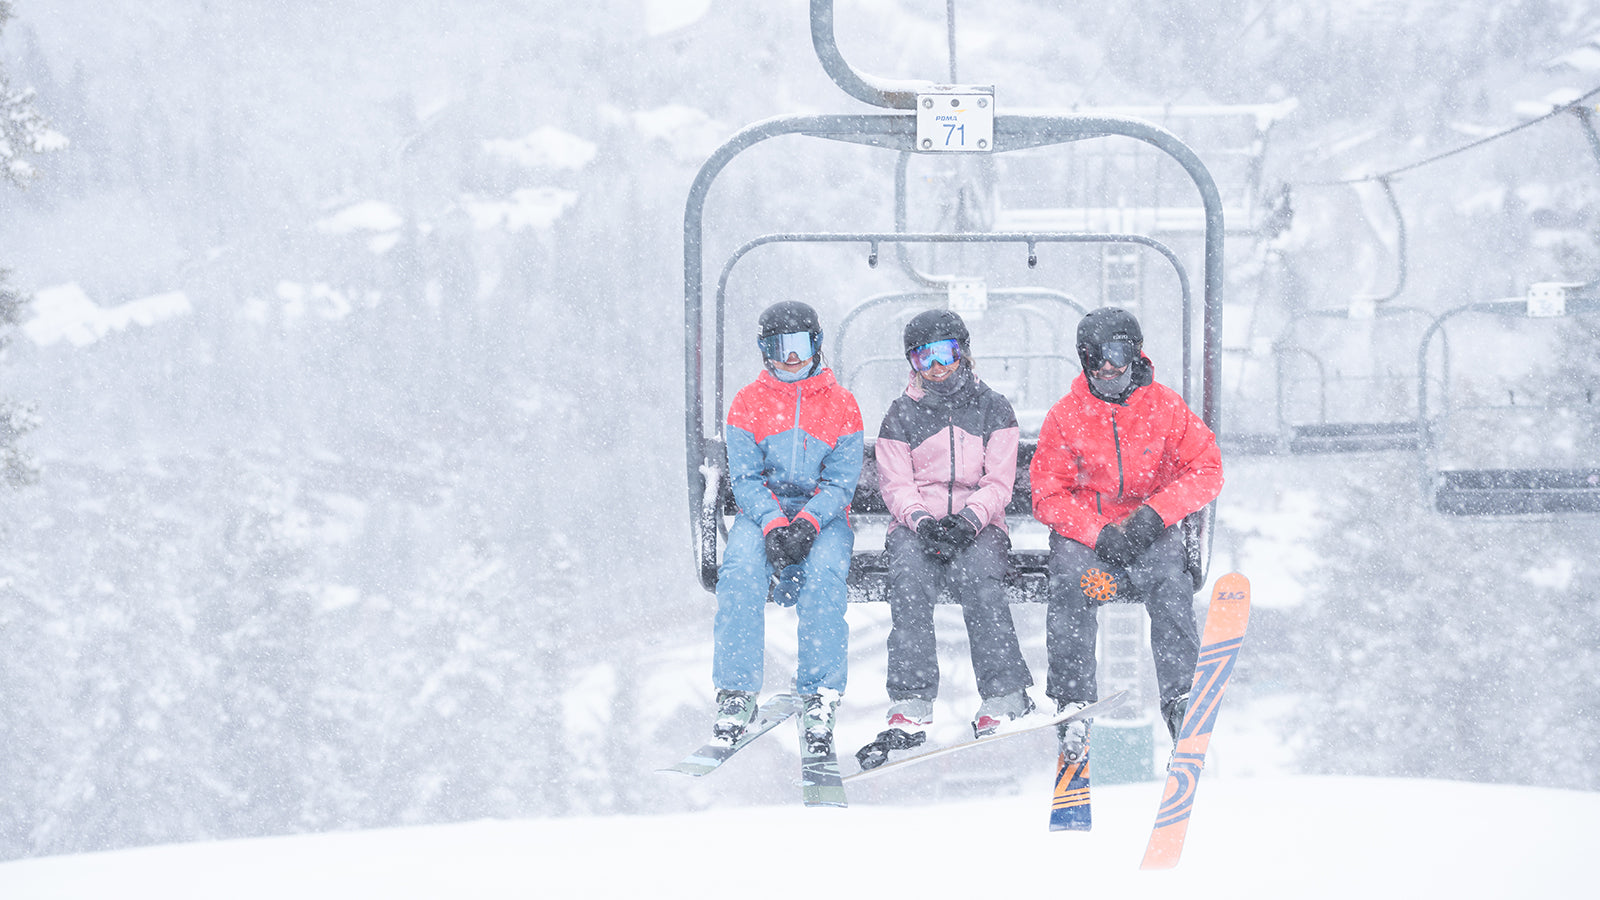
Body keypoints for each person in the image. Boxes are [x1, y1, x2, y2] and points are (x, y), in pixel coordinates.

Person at [1030, 307, 1223, 762]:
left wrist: (1154, 517)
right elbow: (1048, 494)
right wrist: (1098, 533)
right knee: (1072, 587)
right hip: (1094, 551)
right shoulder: (1067, 416)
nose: (1106, 368)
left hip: (1149, 536)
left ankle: (1180, 701)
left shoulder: (1166, 409)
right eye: (1094, 356)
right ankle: (1073, 703)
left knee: (1170, 585)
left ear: (1135, 354)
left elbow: (1207, 469)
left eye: (1116, 354)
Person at [856, 309, 1035, 770]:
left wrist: (968, 521)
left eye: (946, 353)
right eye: (923, 357)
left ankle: (1003, 693)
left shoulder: (993, 408)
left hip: (978, 525)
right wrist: (924, 522)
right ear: (911, 362)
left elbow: (999, 481)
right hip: (919, 526)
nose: (936, 366)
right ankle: (912, 701)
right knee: (910, 582)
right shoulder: (901, 415)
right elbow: (896, 484)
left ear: (963, 353)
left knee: (982, 581)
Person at [711, 300, 864, 756]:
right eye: (780, 347)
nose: (791, 357)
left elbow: (841, 482)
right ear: (765, 350)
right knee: (739, 572)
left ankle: (820, 694)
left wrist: (809, 523)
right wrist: (775, 522)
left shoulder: (841, 405)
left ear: (816, 344)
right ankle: (736, 691)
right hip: (762, 512)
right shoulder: (747, 403)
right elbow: (745, 477)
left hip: (825, 516)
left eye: (799, 345)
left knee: (824, 579)